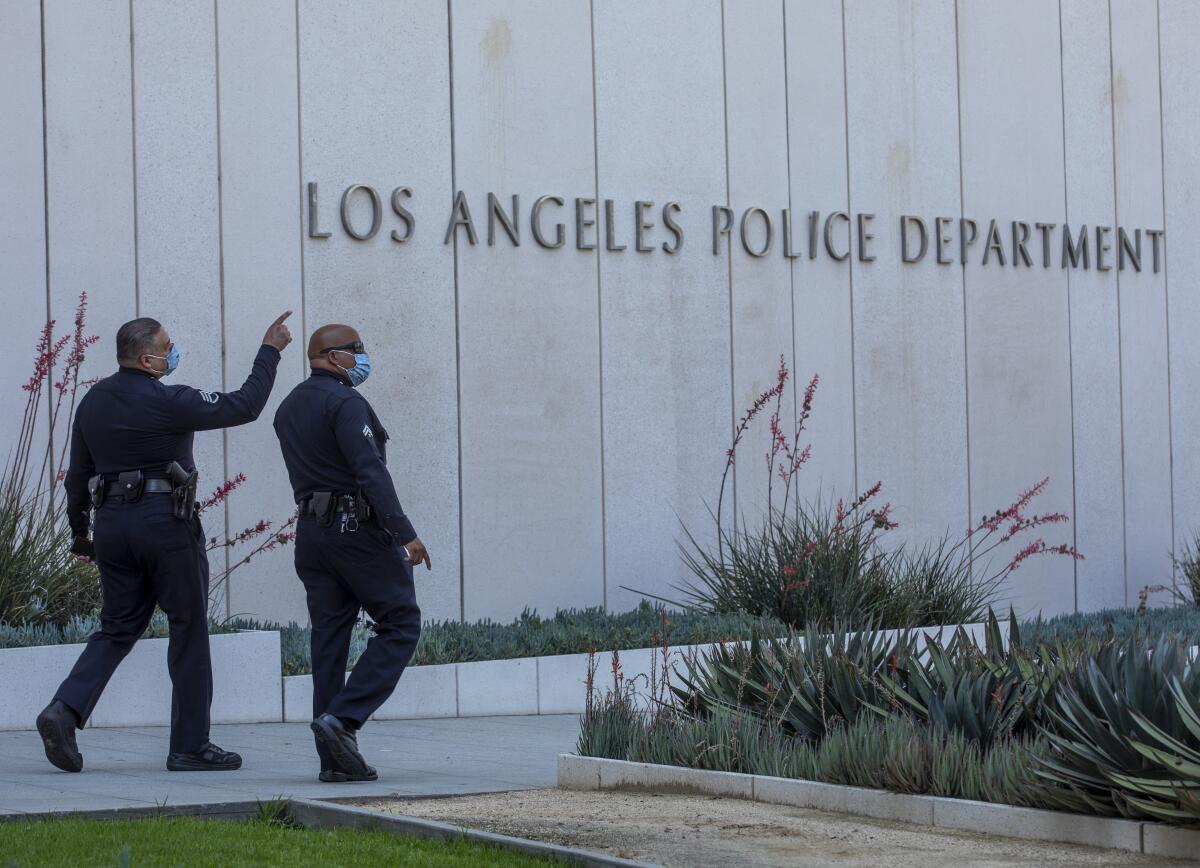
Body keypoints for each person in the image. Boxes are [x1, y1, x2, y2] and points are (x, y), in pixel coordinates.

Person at [35, 312, 294, 773]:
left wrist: (80, 533)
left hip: (111, 526)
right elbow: (245, 405)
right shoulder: (170, 401)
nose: (174, 352)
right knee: (188, 627)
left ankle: (64, 710)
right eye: (168, 346)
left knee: (116, 628)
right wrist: (269, 351)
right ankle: (190, 747)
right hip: (165, 525)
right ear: (148, 358)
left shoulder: (92, 402)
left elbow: (78, 476)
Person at [273, 324, 430, 783]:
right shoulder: (345, 402)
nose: (364, 357)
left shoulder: (289, 407)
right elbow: (369, 471)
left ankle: (334, 761)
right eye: (358, 350)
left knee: (329, 641)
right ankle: (343, 721)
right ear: (333, 356)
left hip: (312, 534)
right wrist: (405, 533)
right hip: (356, 532)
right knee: (400, 622)